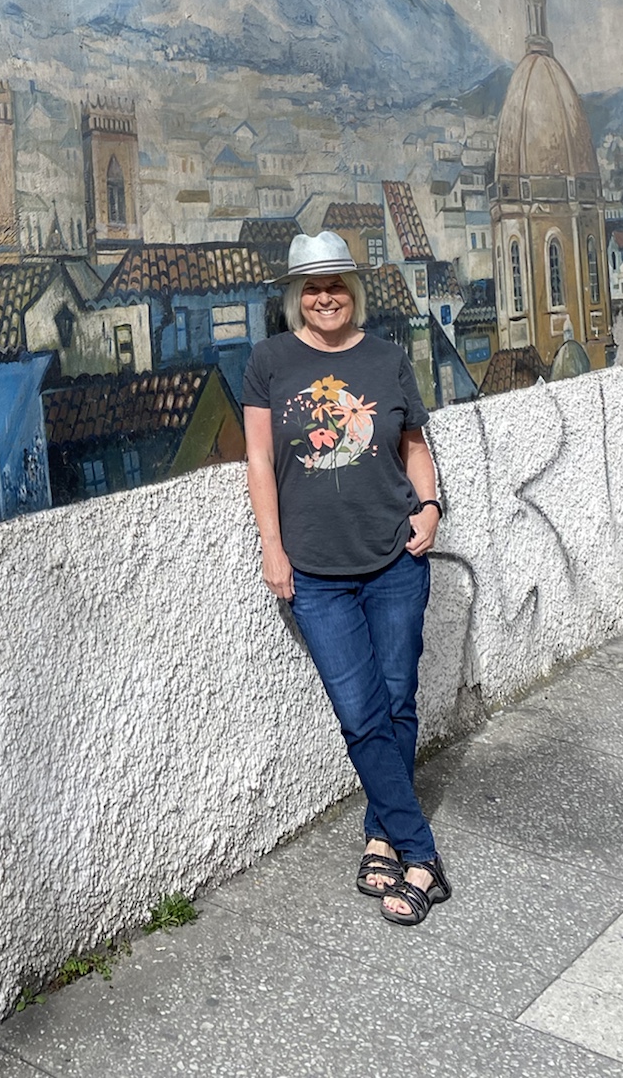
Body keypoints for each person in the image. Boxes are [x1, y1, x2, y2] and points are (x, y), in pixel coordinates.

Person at [241, 230, 449, 927]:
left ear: (352, 290)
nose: (325, 297)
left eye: (335, 284)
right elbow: (259, 461)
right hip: (316, 573)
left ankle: (383, 835)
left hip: (395, 559)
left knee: (397, 701)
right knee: (360, 713)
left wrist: (431, 508)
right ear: (295, 296)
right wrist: (273, 548)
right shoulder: (270, 362)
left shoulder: (387, 358)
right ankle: (422, 853)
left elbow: (414, 445)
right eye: (312, 287)